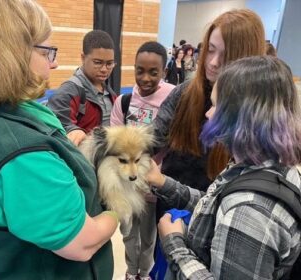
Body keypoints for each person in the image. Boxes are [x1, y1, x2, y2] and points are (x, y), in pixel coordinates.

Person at [0, 1, 118, 279]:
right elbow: (83, 242)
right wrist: (118, 210)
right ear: (9, 55)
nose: (55, 62)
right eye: (47, 51)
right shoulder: (20, 152)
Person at [147, 55, 301, 279]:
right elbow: (214, 207)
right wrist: (163, 183)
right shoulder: (267, 167)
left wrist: (175, 245)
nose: (208, 114)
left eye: (217, 106)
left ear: (243, 116)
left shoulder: (249, 213)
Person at [153, 9, 266, 221]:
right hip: (169, 211)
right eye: (210, 50)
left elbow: (224, 203)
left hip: (214, 221)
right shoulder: (184, 93)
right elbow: (152, 137)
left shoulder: (254, 118)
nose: (213, 62)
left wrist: (161, 183)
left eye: (226, 56)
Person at [110, 41, 175, 280]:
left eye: (153, 72)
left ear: (164, 72)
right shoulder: (124, 102)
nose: (145, 78)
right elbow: (115, 142)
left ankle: (144, 273)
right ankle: (130, 270)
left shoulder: (172, 97)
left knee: (148, 235)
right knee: (127, 232)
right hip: (127, 184)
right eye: (140, 70)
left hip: (153, 185)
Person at [47, 30, 118, 146]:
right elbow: (55, 124)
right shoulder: (68, 92)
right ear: (83, 58)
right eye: (98, 62)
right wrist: (72, 130)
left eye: (109, 63)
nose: (104, 69)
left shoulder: (111, 94)